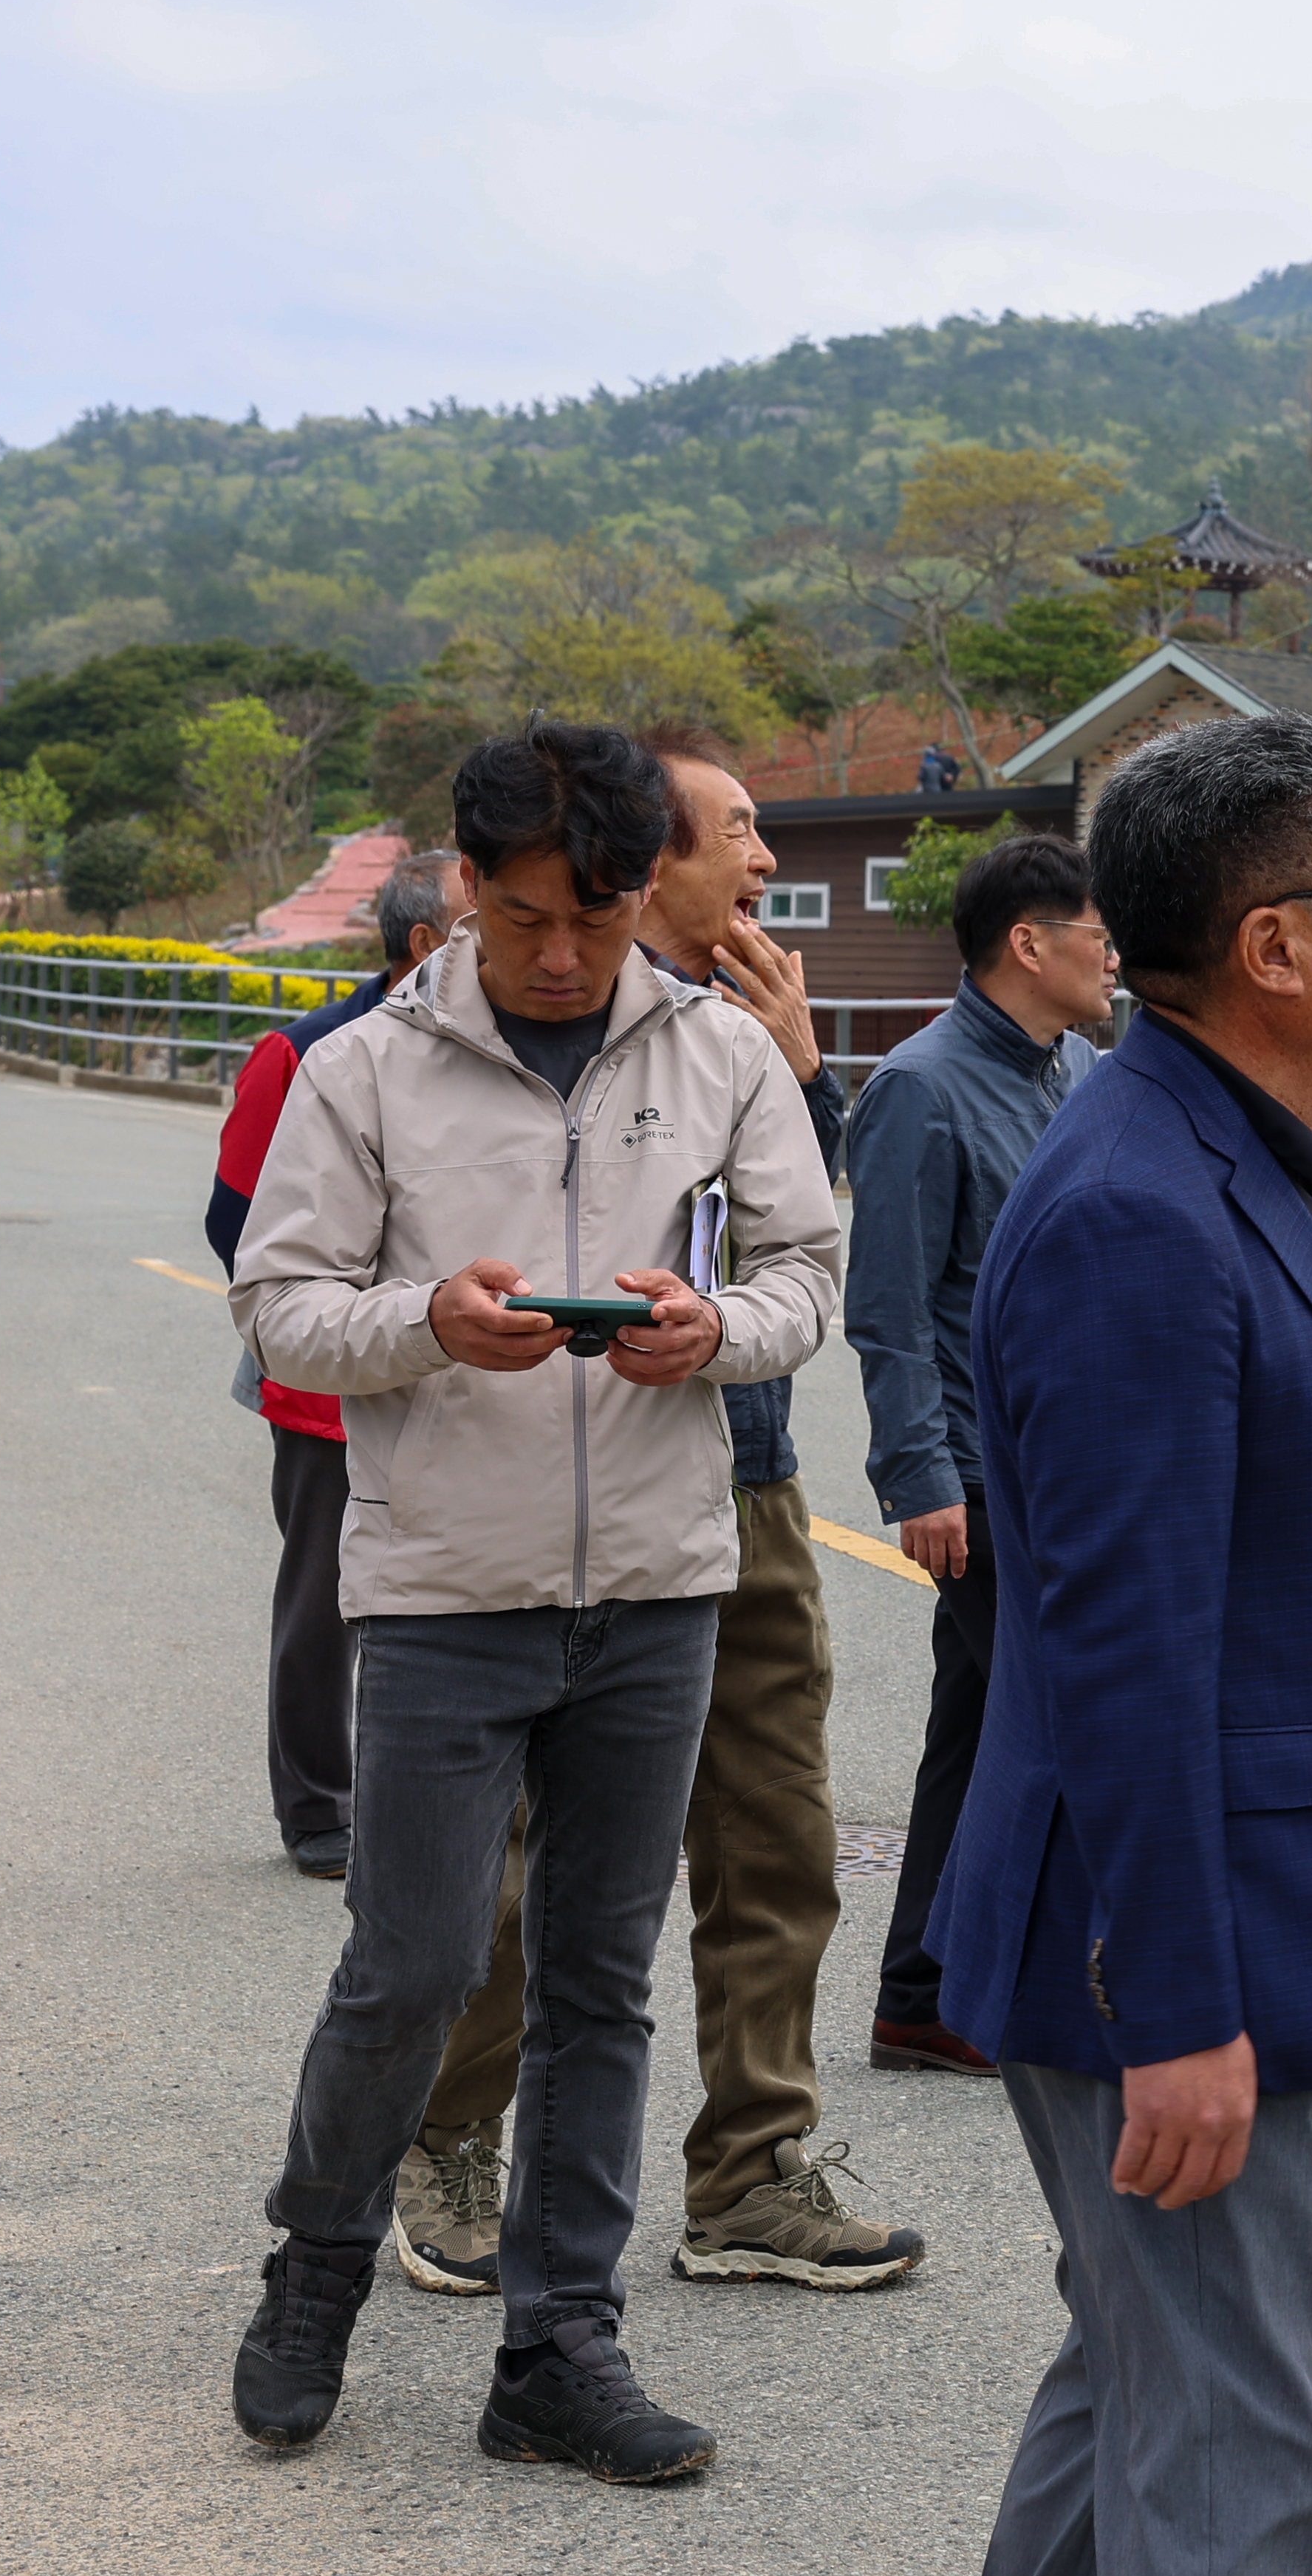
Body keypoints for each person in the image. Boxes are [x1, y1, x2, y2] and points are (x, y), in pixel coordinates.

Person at [917, 717, 1312, 2576]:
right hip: (1178, 1958)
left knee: (1142, 2398)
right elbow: (1115, 1656)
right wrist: (1179, 2008)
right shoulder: (1140, 1211)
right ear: (1272, 943)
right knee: (1234, 2471)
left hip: (1214, 1929)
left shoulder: (1231, 1144)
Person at [223, 717, 844, 2483]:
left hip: (656, 1582)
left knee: (599, 1975)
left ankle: (559, 2345)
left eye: (597, 915)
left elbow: (807, 1260)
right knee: (410, 1962)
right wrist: (431, 1320)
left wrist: (713, 1332)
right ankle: (314, 2273)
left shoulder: (721, 1050)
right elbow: (281, 1300)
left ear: (646, 889)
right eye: (522, 919)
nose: (562, 954)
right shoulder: (370, 1070)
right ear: (463, 883)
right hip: (441, 1589)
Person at [394, 729, 927, 2299]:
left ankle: (753, 2169)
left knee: (776, 1830)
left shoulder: (748, 1033)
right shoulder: (504, 1029)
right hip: (543, 1483)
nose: (766, 863)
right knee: (523, 1854)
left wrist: (808, 1080)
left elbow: (802, 1259)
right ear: (639, 855)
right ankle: (445, 2133)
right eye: (739, 832)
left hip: (743, 1476)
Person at [848, 829, 1110, 2080]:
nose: (1112, 958)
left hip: (1069, 1467)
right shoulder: (922, 1084)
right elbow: (891, 1303)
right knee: (1036, 1726)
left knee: (984, 1725)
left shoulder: (1076, 1075)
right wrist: (920, 1478)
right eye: (1097, 936)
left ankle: (926, 1991)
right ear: (1029, 943)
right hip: (982, 1474)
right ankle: (972, 1985)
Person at [206, 847, 464, 1879]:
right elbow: (237, 1220)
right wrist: (347, 1310)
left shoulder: (485, 1053)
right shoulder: (306, 1053)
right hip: (328, 1381)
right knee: (327, 1595)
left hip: (462, 1368)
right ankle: (318, 1809)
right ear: (423, 945)